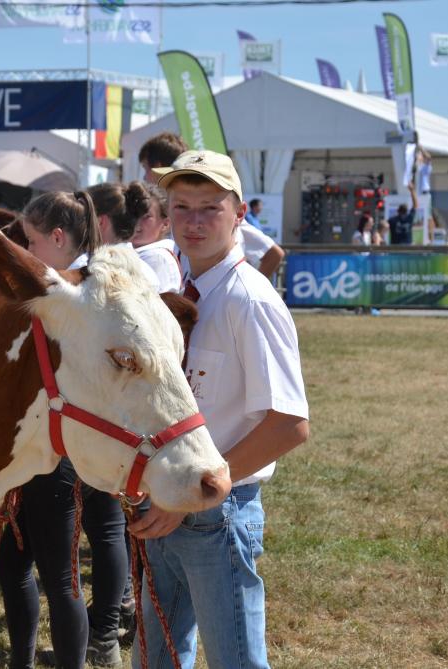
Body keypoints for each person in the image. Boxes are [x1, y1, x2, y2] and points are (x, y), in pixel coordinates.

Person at [132, 150, 310, 669]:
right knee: (156, 657)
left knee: (236, 661)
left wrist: (194, 494)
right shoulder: (174, 292)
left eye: (210, 207)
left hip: (215, 510)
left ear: (241, 215)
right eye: (181, 206)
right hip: (165, 502)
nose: (193, 221)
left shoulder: (247, 300)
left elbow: (290, 424)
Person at [0, 191, 100, 669]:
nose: (28, 251)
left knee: (60, 577)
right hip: (26, 444)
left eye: (32, 241)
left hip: (57, 451)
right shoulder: (57, 286)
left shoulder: (86, 291)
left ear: (58, 238)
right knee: (12, 564)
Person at [133, 183, 180, 293]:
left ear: (165, 224)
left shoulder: (155, 257)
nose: (136, 223)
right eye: (133, 215)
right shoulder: (143, 254)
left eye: (146, 217)